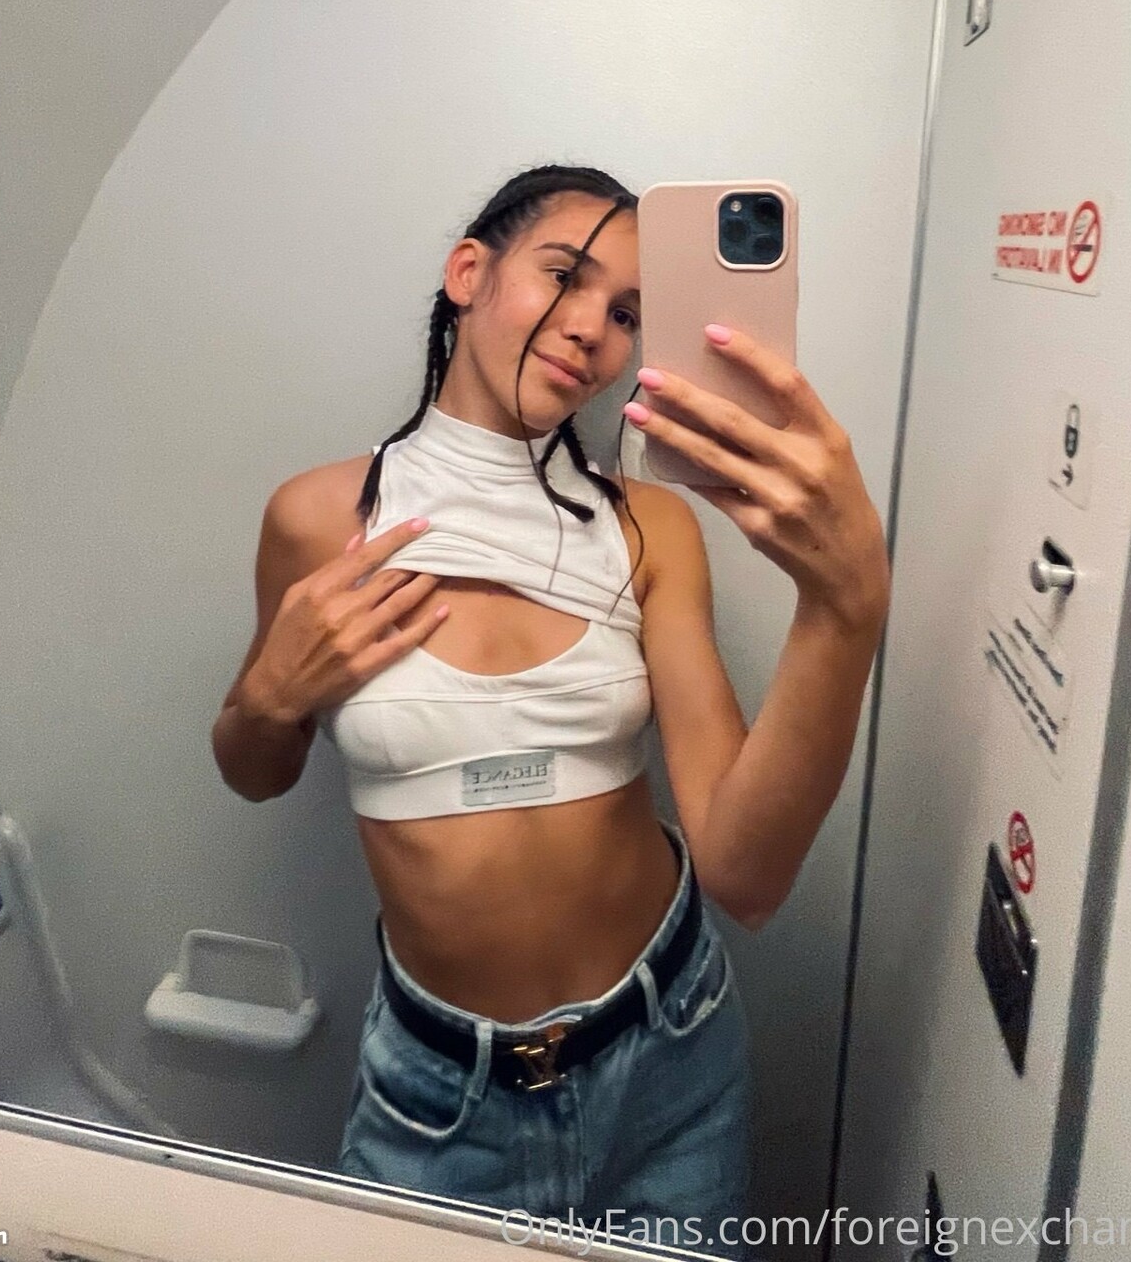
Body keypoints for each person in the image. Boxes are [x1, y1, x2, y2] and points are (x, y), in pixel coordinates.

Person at [210, 165, 890, 1255]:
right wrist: (268, 695)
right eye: (564, 275)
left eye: (626, 314)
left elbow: (746, 873)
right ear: (468, 273)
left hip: (670, 1059)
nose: (592, 329)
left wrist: (843, 610)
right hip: (438, 1101)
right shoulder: (319, 519)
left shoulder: (648, 528)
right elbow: (255, 768)